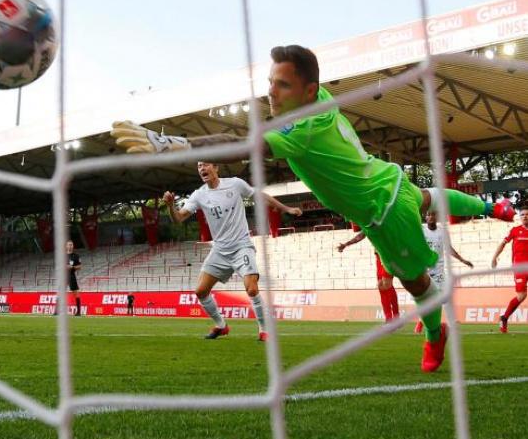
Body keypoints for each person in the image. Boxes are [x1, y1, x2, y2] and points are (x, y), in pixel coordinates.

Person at [112, 44, 515, 372]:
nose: (271, 92)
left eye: (283, 85)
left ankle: (434, 334)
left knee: (415, 282)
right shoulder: (319, 100)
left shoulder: (300, 127)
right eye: (271, 82)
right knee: (426, 196)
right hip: (384, 178)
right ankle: (489, 206)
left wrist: (176, 144)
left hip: (383, 210)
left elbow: (241, 147)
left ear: (308, 91)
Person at [163, 161, 302, 340]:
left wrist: (286, 208)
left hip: (241, 246)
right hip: (220, 250)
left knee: (251, 289)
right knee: (201, 291)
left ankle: (264, 330)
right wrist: (170, 206)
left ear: (216, 168)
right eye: (199, 166)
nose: (202, 169)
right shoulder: (199, 195)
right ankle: (221, 326)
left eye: (205, 165)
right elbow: (179, 218)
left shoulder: (235, 184)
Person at [411, 210, 474, 333]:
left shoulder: (442, 232)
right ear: (425, 217)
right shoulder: (422, 231)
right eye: (428, 215)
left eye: (433, 214)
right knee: (427, 300)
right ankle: (421, 321)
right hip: (424, 272)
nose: (431, 217)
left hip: (438, 271)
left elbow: (449, 248)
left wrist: (462, 260)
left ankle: (452, 322)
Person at [337, 228, 399, 323]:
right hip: (379, 256)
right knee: (381, 285)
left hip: (388, 255)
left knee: (386, 284)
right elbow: (359, 236)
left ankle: (395, 316)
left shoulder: (384, 223)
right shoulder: (368, 226)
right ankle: (389, 318)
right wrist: (346, 244)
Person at [491, 207, 528, 333]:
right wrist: (494, 258)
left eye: (527, 214)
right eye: (522, 214)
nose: (525, 216)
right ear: (520, 217)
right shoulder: (515, 230)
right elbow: (503, 244)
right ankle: (504, 317)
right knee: (522, 296)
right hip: (520, 267)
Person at [66, 240, 82, 316]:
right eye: (69, 245)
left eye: (71, 245)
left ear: (73, 246)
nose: (70, 246)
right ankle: (57, 311)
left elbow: (80, 267)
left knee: (76, 293)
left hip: (71, 275)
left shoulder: (76, 256)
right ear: (66, 246)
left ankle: (78, 311)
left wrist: (72, 267)